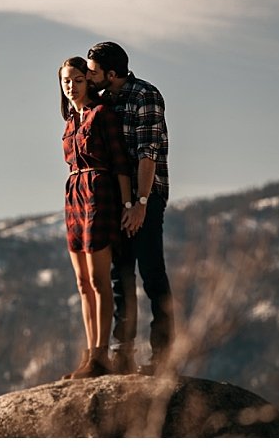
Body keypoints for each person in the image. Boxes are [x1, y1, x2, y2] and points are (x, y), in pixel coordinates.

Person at [87, 41, 174, 375]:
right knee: (120, 276)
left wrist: (140, 204)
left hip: (146, 197)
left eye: (93, 72)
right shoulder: (103, 101)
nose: (89, 76)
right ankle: (123, 354)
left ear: (112, 72)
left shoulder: (144, 96)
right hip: (114, 202)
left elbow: (147, 154)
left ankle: (162, 358)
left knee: (152, 274)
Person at [57, 56, 134, 380]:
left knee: (100, 279)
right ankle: (90, 354)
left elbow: (119, 164)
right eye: (65, 81)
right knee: (82, 282)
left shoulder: (103, 115)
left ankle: (101, 355)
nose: (70, 86)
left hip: (100, 192)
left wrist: (129, 203)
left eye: (76, 79)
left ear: (88, 81)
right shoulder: (70, 120)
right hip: (74, 193)